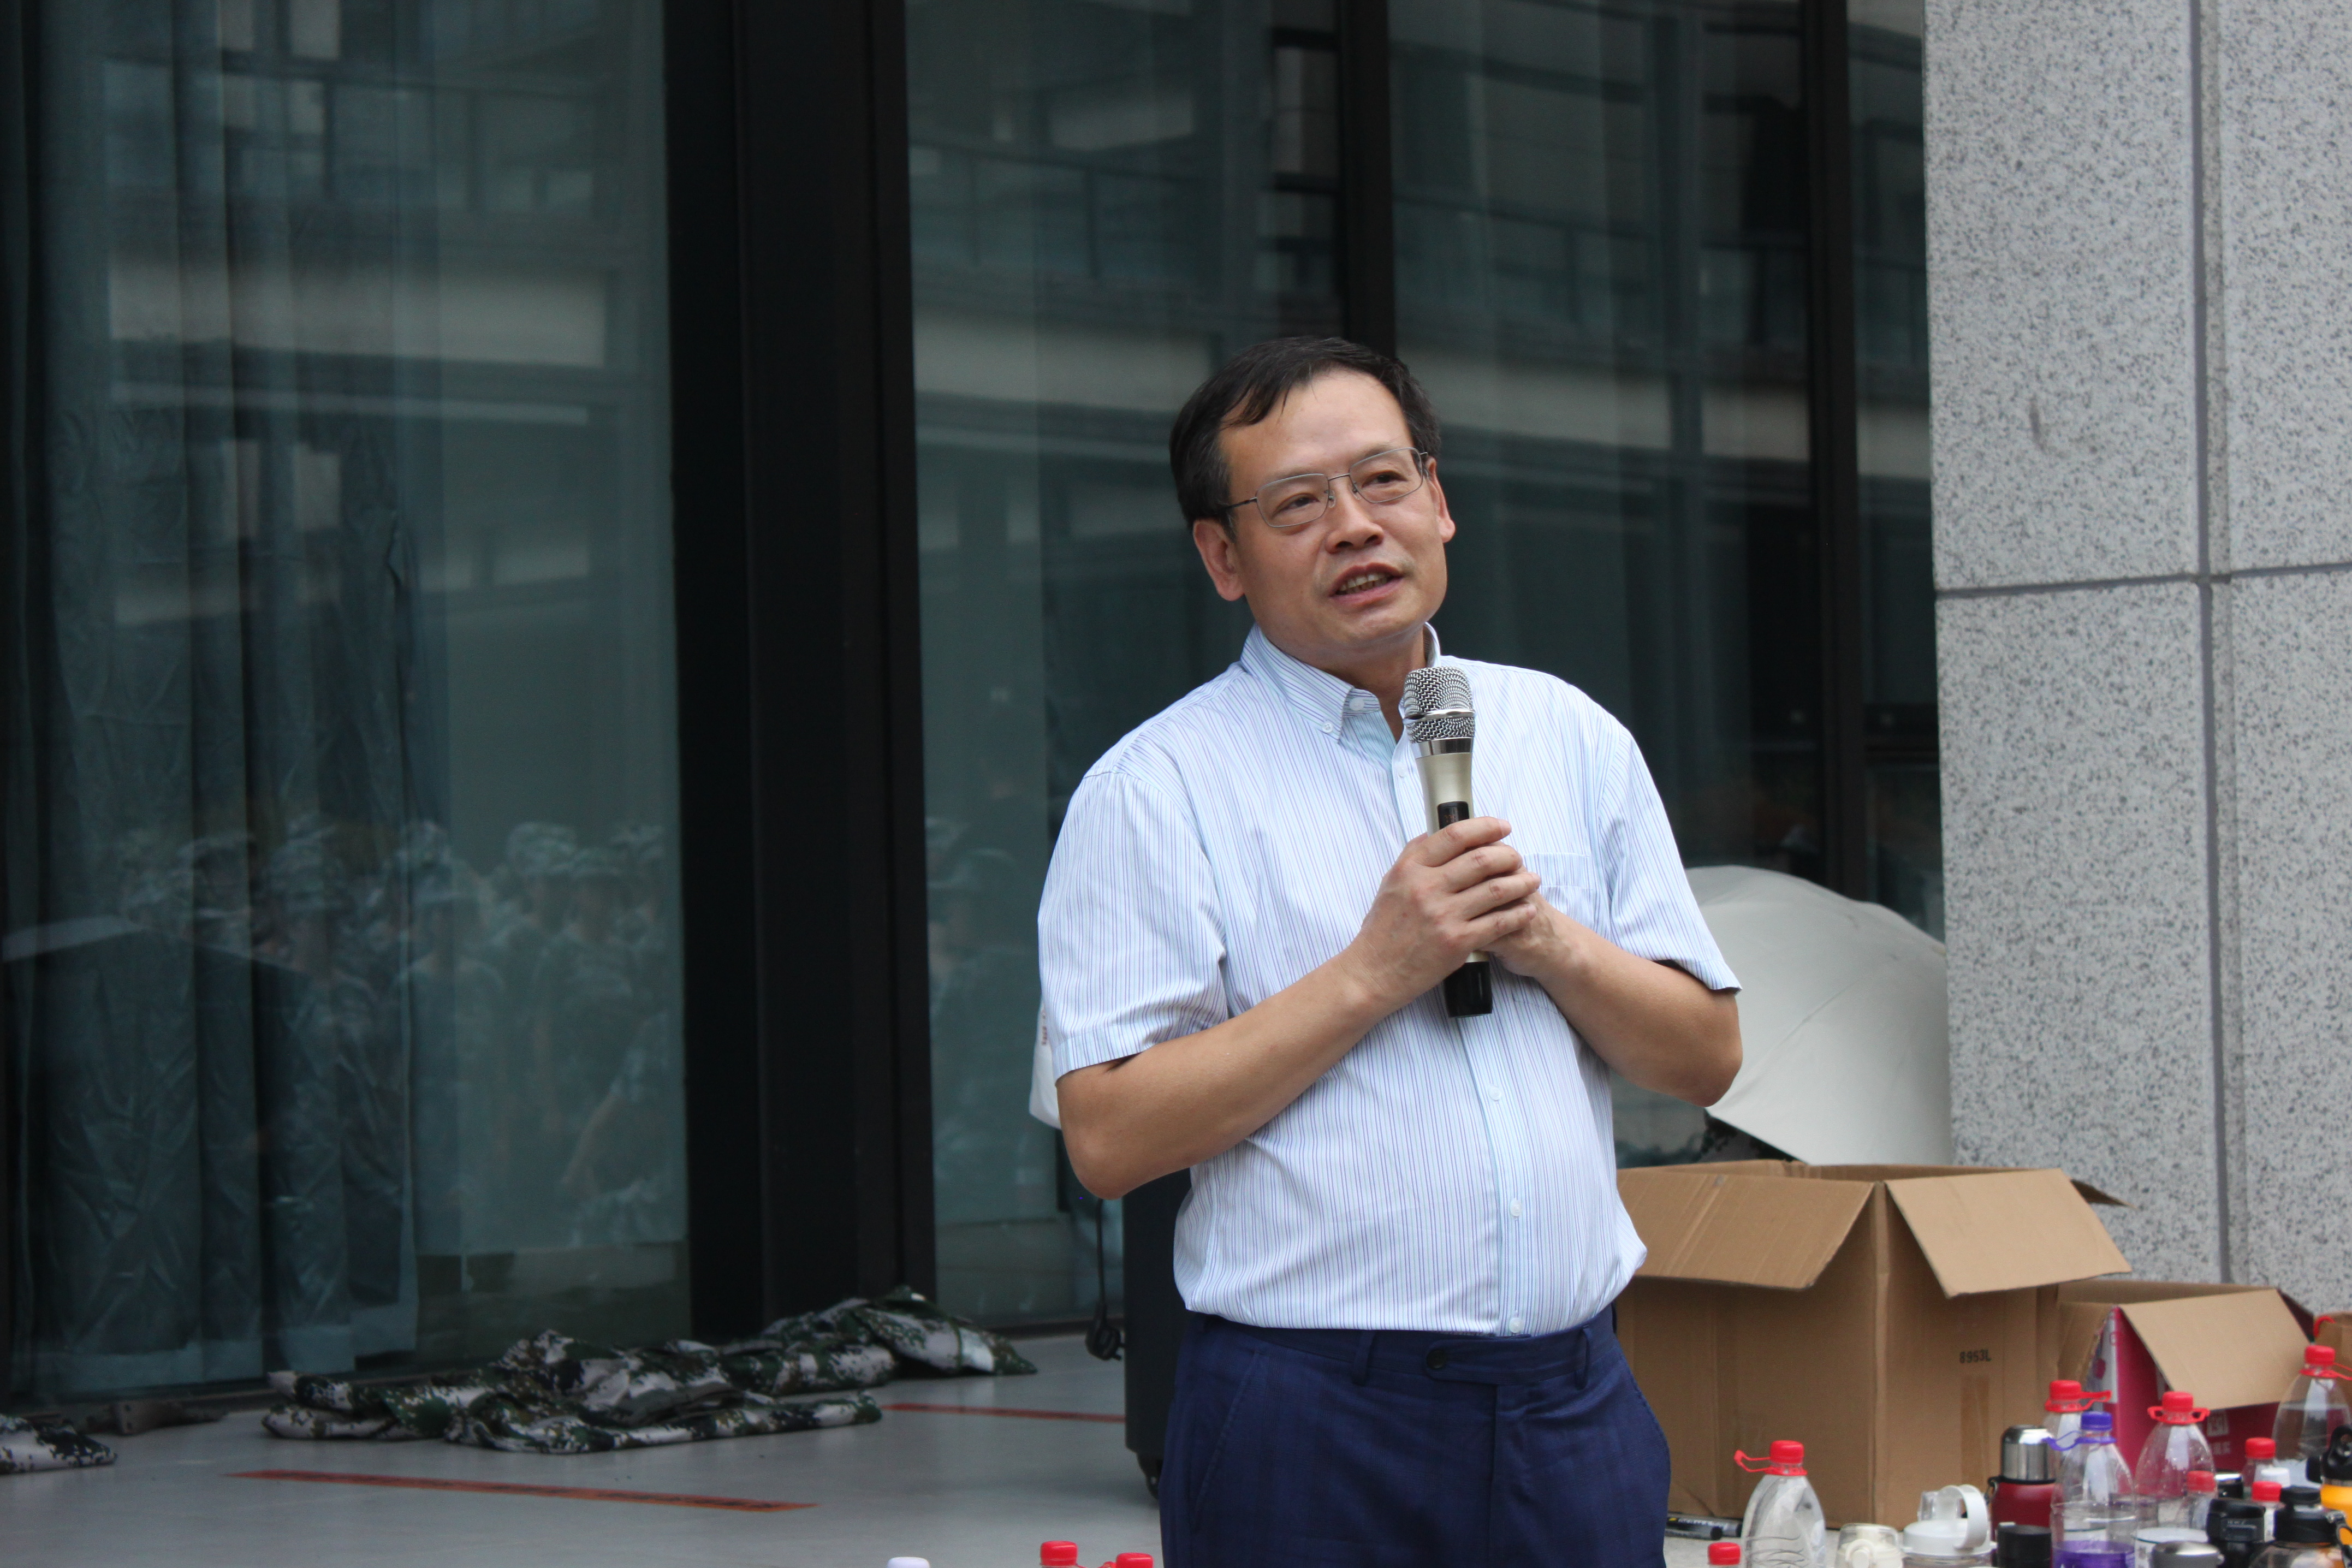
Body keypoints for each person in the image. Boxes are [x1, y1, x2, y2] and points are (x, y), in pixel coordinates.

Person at [1040, 337, 1743, 1566]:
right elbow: (1107, 1136)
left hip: (1573, 1403)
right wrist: (1377, 970)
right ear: (1222, 556)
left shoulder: (1569, 734)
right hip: (1311, 1416)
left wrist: (1546, 940)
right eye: (1297, 504)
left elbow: (1706, 1056)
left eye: (1383, 480)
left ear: (1439, 499)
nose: (1356, 527)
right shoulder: (1156, 788)